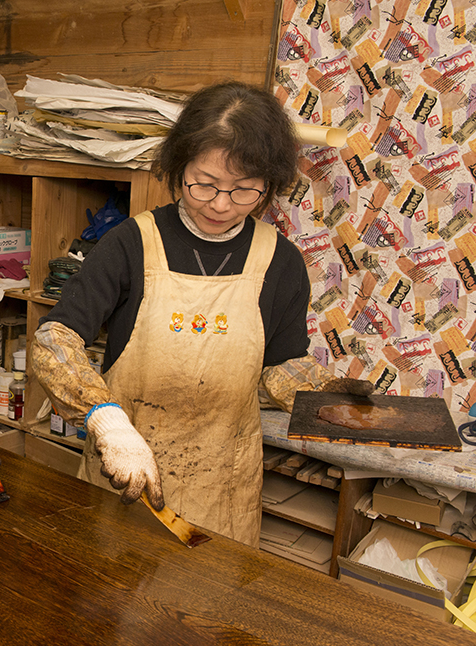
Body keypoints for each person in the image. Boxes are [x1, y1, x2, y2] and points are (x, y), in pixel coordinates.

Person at [32, 81, 371, 546]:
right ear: (179, 167)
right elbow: (55, 338)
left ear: (268, 184)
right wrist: (108, 425)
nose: (220, 204)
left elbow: (279, 364)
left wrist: (322, 391)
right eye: (204, 184)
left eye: (244, 190)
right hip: (125, 476)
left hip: (223, 491)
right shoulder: (131, 243)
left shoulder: (280, 261)